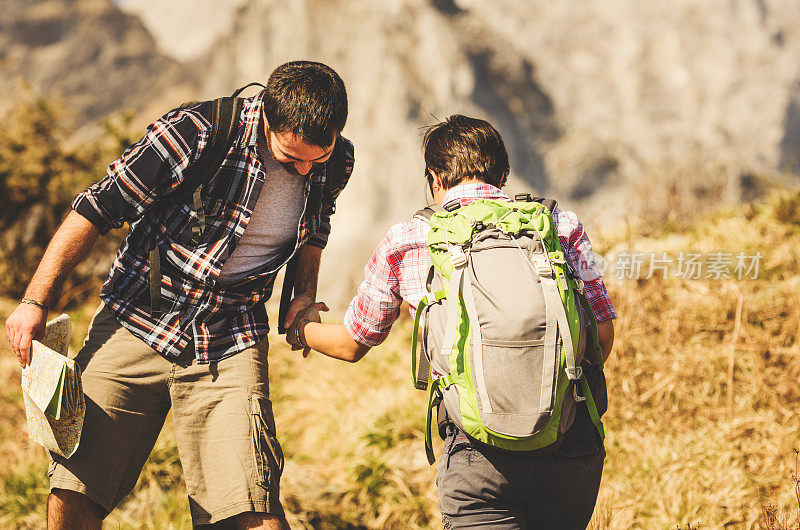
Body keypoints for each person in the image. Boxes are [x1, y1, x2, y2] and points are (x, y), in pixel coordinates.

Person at [4, 60, 353, 529]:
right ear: (267, 115)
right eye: (292, 159)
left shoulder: (339, 162)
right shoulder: (196, 132)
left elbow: (314, 229)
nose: (305, 168)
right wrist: (34, 301)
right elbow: (96, 207)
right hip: (137, 321)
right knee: (74, 488)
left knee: (252, 508)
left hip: (231, 340)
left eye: (318, 157)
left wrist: (302, 294)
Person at [287, 115, 616, 529]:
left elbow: (352, 343)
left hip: (480, 455)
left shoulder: (409, 238)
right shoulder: (558, 225)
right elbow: (602, 331)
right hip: (571, 447)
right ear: (503, 173)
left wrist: (301, 328)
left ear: (434, 177)